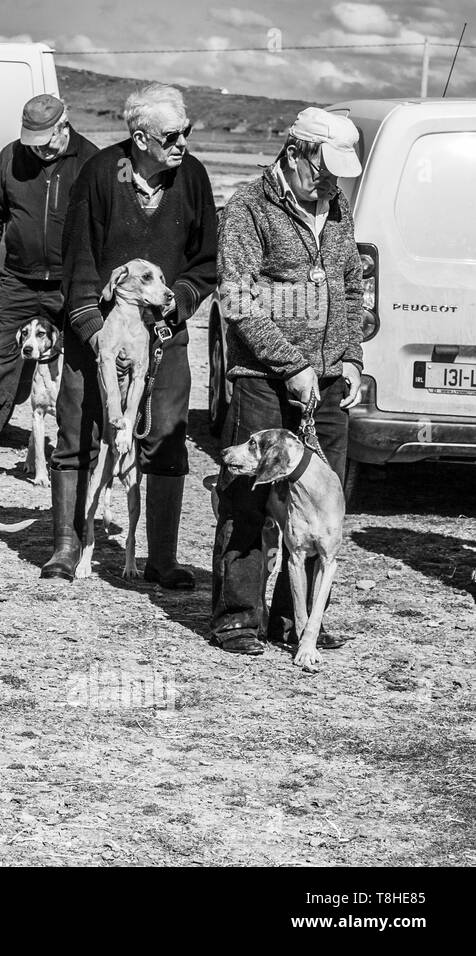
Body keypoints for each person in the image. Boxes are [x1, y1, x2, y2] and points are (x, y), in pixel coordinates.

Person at [42, 82, 218, 586]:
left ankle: (162, 558)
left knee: (165, 435)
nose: (182, 142)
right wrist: (96, 334)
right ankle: (65, 546)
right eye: (171, 135)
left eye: (186, 131)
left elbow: (206, 262)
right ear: (141, 138)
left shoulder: (194, 177)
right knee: (78, 432)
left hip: (164, 331)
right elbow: (76, 260)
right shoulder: (99, 174)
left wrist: (176, 304)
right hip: (95, 330)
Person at [211, 107, 365, 655]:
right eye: (324, 169)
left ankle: (294, 618)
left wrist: (349, 356)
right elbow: (238, 301)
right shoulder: (249, 209)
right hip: (263, 379)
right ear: (296, 152)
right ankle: (237, 616)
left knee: (322, 499)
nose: (331, 181)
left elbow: (349, 289)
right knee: (248, 497)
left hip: (326, 382)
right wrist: (291, 364)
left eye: (338, 174)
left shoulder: (338, 210)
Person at [0, 93, 98, 465]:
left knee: (80, 358)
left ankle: (80, 443)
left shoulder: (91, 160)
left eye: (45, 144)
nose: (38, 152)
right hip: (18, 279)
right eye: (33, 144)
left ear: (64, 126)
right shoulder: (11, 157)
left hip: (70, 282)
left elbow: (103, 223)